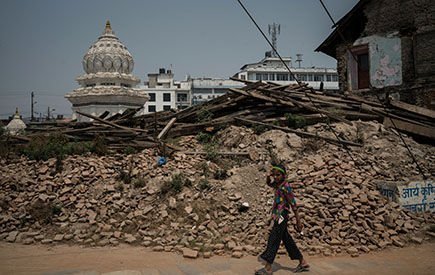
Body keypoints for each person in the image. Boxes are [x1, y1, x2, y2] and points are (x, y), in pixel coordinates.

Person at [256, 164, 309, 274]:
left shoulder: (286, 187)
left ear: (284, 175)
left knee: (274, 237)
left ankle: (268, 267)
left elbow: (293, 204)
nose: (275, 177)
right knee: (286, 239)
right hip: (277, 215)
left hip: (282, 215)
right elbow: (269, 183)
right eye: (274, 175)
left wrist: (298, 220)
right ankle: (302, 262)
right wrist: (268, 176)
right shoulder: (278, 185)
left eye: (278, 175)